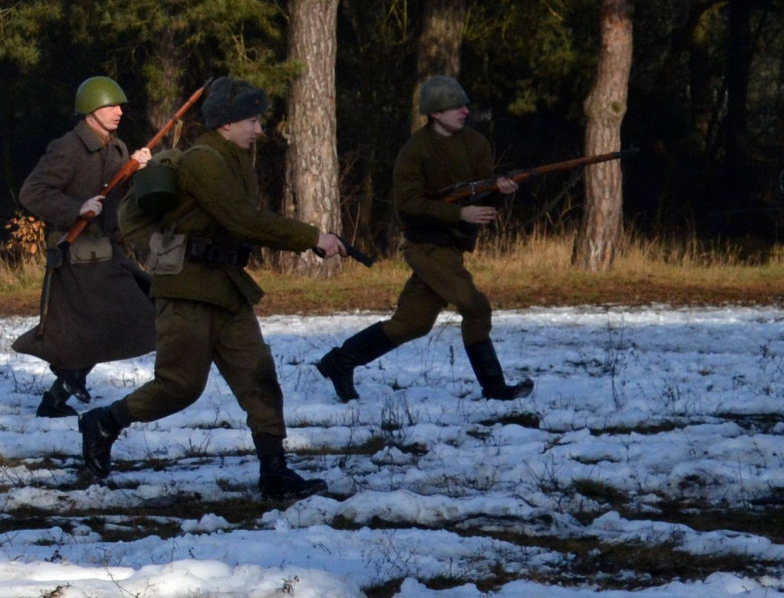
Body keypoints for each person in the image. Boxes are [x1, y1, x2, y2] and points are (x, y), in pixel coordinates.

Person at [77, 76, 345, 501]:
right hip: (187, 291)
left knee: (259, 377)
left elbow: (240, 221)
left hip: (226, 288)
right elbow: (243, 220)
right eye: (252, 121)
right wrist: (313, 237)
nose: (259, 130)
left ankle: (275, 473)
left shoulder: (236, 159)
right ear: (225, 124)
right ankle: (104, 422)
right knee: (179, 387)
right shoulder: (204, 161)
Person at [314, 75, 533, 404]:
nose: (464, 110)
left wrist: (500, 193)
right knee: (475, 307)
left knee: (410, 324)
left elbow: (484, 201)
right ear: (435, 113)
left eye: (464, 105)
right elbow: (410, 204)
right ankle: (495, 388)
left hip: (453, 246)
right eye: (455, 106)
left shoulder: (476, 144)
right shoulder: (414, 152)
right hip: (426, 246)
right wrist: (458, 215)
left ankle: (340, 362)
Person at [12, 76, 157, 418]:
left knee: (142, 307)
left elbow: (122, 201)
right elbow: (32, 192)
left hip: (108, 253)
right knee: (99, 327)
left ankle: (59, 393)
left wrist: (139, 170)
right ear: (90, 111)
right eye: (110, 106)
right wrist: (76, 207)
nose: (118, 112)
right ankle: (63, 385)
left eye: (120, 106)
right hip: (75, 256)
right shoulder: (67, 148)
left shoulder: (119, 149)